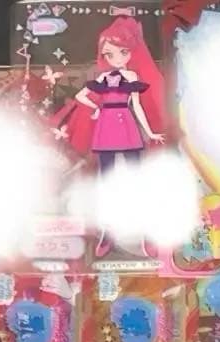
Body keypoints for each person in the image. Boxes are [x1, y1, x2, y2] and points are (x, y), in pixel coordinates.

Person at [52, 16, 166, 257]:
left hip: (126, 126)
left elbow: (137, 106)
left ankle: (143, 231)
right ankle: (108, 232)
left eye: (122, 52)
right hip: (106, 127)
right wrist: (95, 108)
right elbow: (81, 96)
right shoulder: (102, 79)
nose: (116, 58)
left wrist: (150, 132)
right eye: (109, 53)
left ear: (130, 52)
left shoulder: (132, 77)